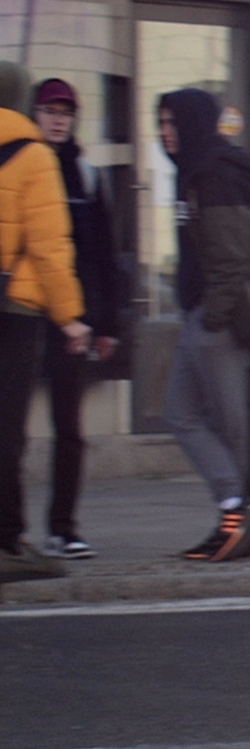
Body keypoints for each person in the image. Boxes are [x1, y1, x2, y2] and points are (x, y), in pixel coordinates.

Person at [157, 87, 250, 563]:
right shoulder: (190, 174)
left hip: (217, 322)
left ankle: (239, 520)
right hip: (199, 316)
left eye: (172, 124)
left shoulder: (214, 177)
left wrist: (212, 318)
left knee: (231, 429)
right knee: (180, 414)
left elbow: (232, 258)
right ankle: (235, 506)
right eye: (161, 125)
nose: (166, 134)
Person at [0, 63, 91, 582]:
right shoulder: (35, 156)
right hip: (17, 309)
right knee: (7, 430)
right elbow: (52, 249)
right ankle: (9, 541)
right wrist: (71, 318)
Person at [32, 78, 122, 559]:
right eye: (50, 110)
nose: (59, 118)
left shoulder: (86, 177)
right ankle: (11, 530)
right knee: (11, 430)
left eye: (66, 111)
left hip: (74, 324)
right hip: (25, 316)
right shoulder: (21, 167)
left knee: (69, 430)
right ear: (35, 114)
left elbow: (104, 256)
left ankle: (63, 527)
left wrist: (107, 325)